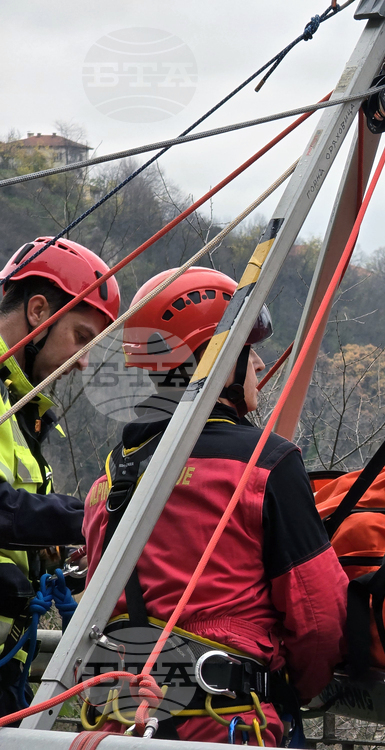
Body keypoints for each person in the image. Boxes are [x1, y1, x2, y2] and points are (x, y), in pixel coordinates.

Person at [82, 268, 348, 745]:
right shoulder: (268, 466)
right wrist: (285, 692)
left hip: (120, 724)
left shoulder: (107, 480)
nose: (261, 365)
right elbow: (320, 618)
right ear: (223, 361)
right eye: (249, 351)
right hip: (225, 722)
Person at [0, 236, 120, 713]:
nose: (85, 360)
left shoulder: (20, 407)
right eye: (82, 337)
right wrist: (93, 514)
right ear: (37, 312)